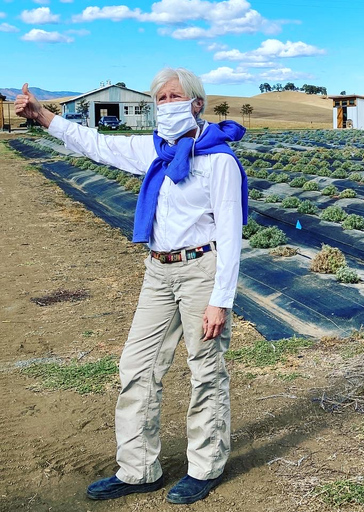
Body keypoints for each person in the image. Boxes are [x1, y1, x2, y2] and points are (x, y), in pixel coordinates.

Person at [15, 68, 248, 505]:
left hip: (202, 269)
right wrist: (44, 117)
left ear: (197, 103)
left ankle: (206, 466)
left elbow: (232, 235)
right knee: (136, 367)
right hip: (158, 272)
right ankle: (138, 468)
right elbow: (99, 145)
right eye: (159, 98)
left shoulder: (219, 160)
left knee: (205, 370)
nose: (166, 104)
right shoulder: (153, 150)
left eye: (174, 96)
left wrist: (221, 300)